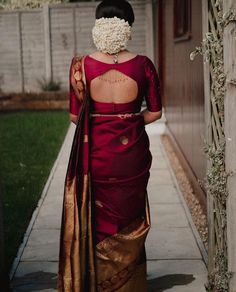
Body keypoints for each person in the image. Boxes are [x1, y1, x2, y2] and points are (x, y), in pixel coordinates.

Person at [57, 0, 162, 291]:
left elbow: (75, 116)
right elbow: (154, 113)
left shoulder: (82, 67)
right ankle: (131, 284)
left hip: (98, 153)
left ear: (97, 23)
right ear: (129, 26)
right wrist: (127, 121)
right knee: (131, 212)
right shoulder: (143, 65)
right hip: (132, 155)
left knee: (100, 215)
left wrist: (102, 122)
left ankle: (100, 281)